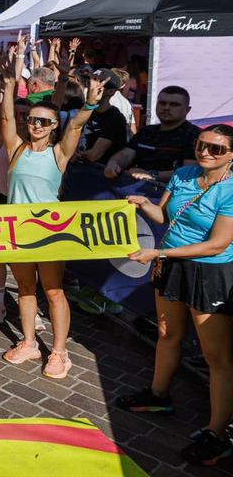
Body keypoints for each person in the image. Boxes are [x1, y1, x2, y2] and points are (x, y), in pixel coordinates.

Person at [120, 124, 233, 467]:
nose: (206, 153)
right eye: (202, 145)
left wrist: (160, 255)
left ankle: (217, 433)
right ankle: (158, 395)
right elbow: (166, 216)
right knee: (168, 334)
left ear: (231, 155)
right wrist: (143, 203)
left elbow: (219, 244)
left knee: (216, 356)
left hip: (208, 273)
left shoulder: (229, 188)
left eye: (216, 149)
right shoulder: (184, 174)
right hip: (169, 263)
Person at [0, 35, 105, 378]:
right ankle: (29, 342)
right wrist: (11, 77)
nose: (37, 125)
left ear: (53, 126)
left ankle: (59, 352)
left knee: (54, 291)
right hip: (16, 231)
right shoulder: (16, 147)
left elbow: (76, 124)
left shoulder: (59, 153)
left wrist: (89, 104)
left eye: (44, 121)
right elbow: (3, 118)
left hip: (49, 231)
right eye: (32, 120)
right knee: (25, 290)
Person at [104, 86, 201, 199]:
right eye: (162, 103)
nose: (166, 108)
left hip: (169, 199)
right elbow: (126, 154)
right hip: (132, 194)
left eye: (174, 104)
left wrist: (153, 175)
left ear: (187, 110)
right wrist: (114, 163)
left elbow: (189, 172)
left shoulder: (195, 135)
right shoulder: (146, 131)